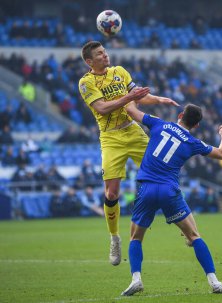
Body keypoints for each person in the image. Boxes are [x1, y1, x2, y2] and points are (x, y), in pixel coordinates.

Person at [78, 41, 178, 267]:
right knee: (111, 194)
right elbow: (102, 108)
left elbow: (137, 95)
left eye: (105, 52)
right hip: (110, 138)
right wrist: (129, 98)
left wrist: (158, 99)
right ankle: (114, 238)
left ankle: (182, 223)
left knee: (162, 171)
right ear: (89, 61)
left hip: (132, 131)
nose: (105, 56)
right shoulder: (86, 83)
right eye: (100, 54)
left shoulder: (120, 72)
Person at [120, 102, 222, 296]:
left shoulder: (158, 123)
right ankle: (214, 282)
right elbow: (221, 153)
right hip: (168, 191)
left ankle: (136, 279)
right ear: (196, 125)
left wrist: (131, 94)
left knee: (135, 237)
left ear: (180, 115)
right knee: (194, 236)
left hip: (146, 188)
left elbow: (130, 110)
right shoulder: (192, 142)